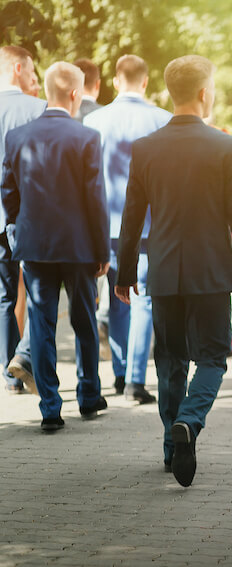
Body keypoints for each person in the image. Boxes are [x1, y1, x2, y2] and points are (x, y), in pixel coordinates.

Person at [115, 55, 232, 487]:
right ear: (204, 93)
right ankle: (190, 420)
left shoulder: (145, 148)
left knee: (170, 360)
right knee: (214, 357)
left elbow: (131, 219)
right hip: (211, 272)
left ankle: (170, 445)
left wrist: (125, 275)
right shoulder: (223, 145)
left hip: (163, 270)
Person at [1, 61, 110, 431]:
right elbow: (96, 199)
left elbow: (8, 194)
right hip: (78, 248)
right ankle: (89, 395)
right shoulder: (86, 137)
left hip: (34, 246)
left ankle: (50, 408)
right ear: (76, 94)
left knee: (42, 324)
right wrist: (102, 251)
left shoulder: (17, 137)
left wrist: (17, 230)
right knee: (84, 323)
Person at [84, 55, 172, 404]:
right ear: (147, 82)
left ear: (116, 81)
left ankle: (118, 375)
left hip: (103, 224)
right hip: (148, 227)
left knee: (112, 300)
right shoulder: (162, 120)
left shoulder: (94, 120)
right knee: (142, 300)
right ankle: (136, 380)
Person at [0, 45, 44, 395]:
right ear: (17, 68)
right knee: (35, 293)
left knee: (2, 297)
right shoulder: (37, 109)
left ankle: (11, 375)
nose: (34, 79)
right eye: (31, 72)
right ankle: (27, 360)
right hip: (28, 216)